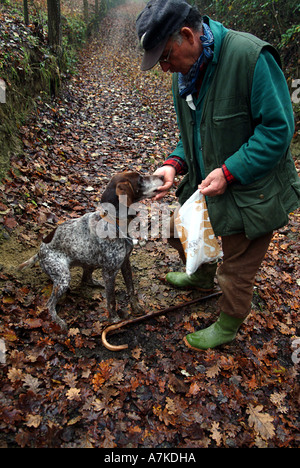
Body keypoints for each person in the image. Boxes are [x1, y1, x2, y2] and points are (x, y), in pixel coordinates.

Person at [136, 0, 300, 351]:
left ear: (186, 36)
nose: (164, 68)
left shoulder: (251, 58)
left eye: (165, 57)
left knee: (236, 270)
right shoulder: (185, 74)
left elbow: (278, 129)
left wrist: (230, 171)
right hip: (209, 185)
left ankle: (228, 323)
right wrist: (174, 163)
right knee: (180, 229)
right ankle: (200, 275)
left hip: (253, 191)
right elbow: (194, 131)